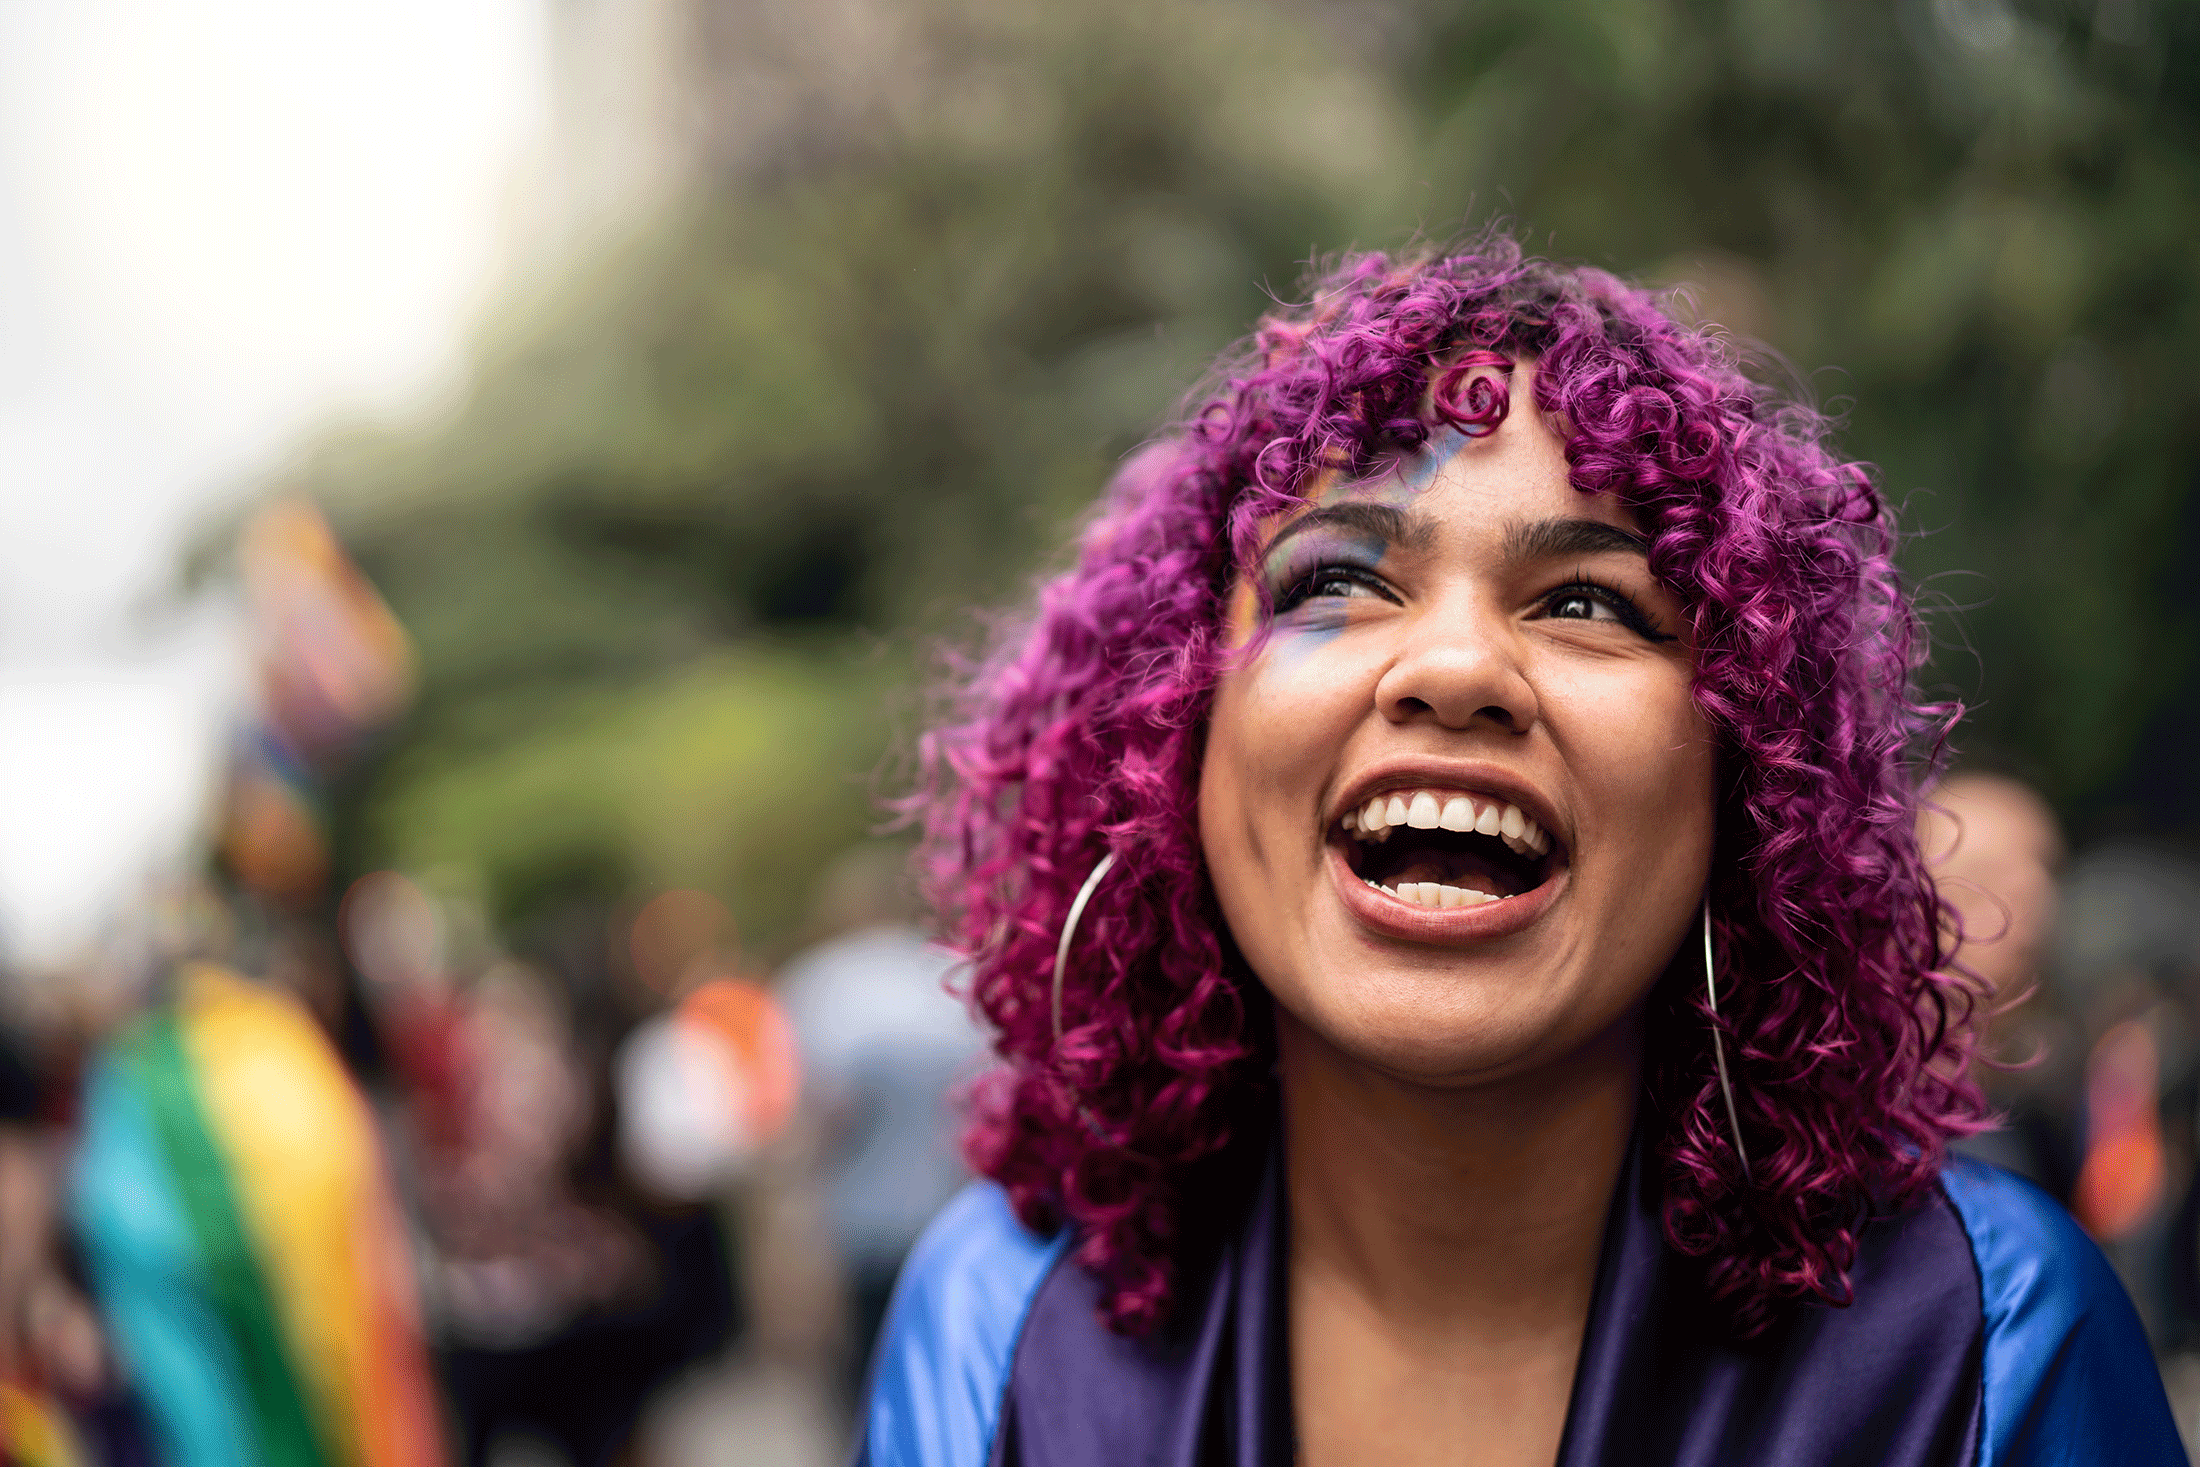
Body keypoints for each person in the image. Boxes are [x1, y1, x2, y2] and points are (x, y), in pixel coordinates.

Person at [854, 236, 2184, 1466]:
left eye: (1592, 599)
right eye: (1332, 579)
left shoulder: (1987, 1341)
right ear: (1170, 736)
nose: (1454, 667)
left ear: (1748, 774)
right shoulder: (998, 1327)